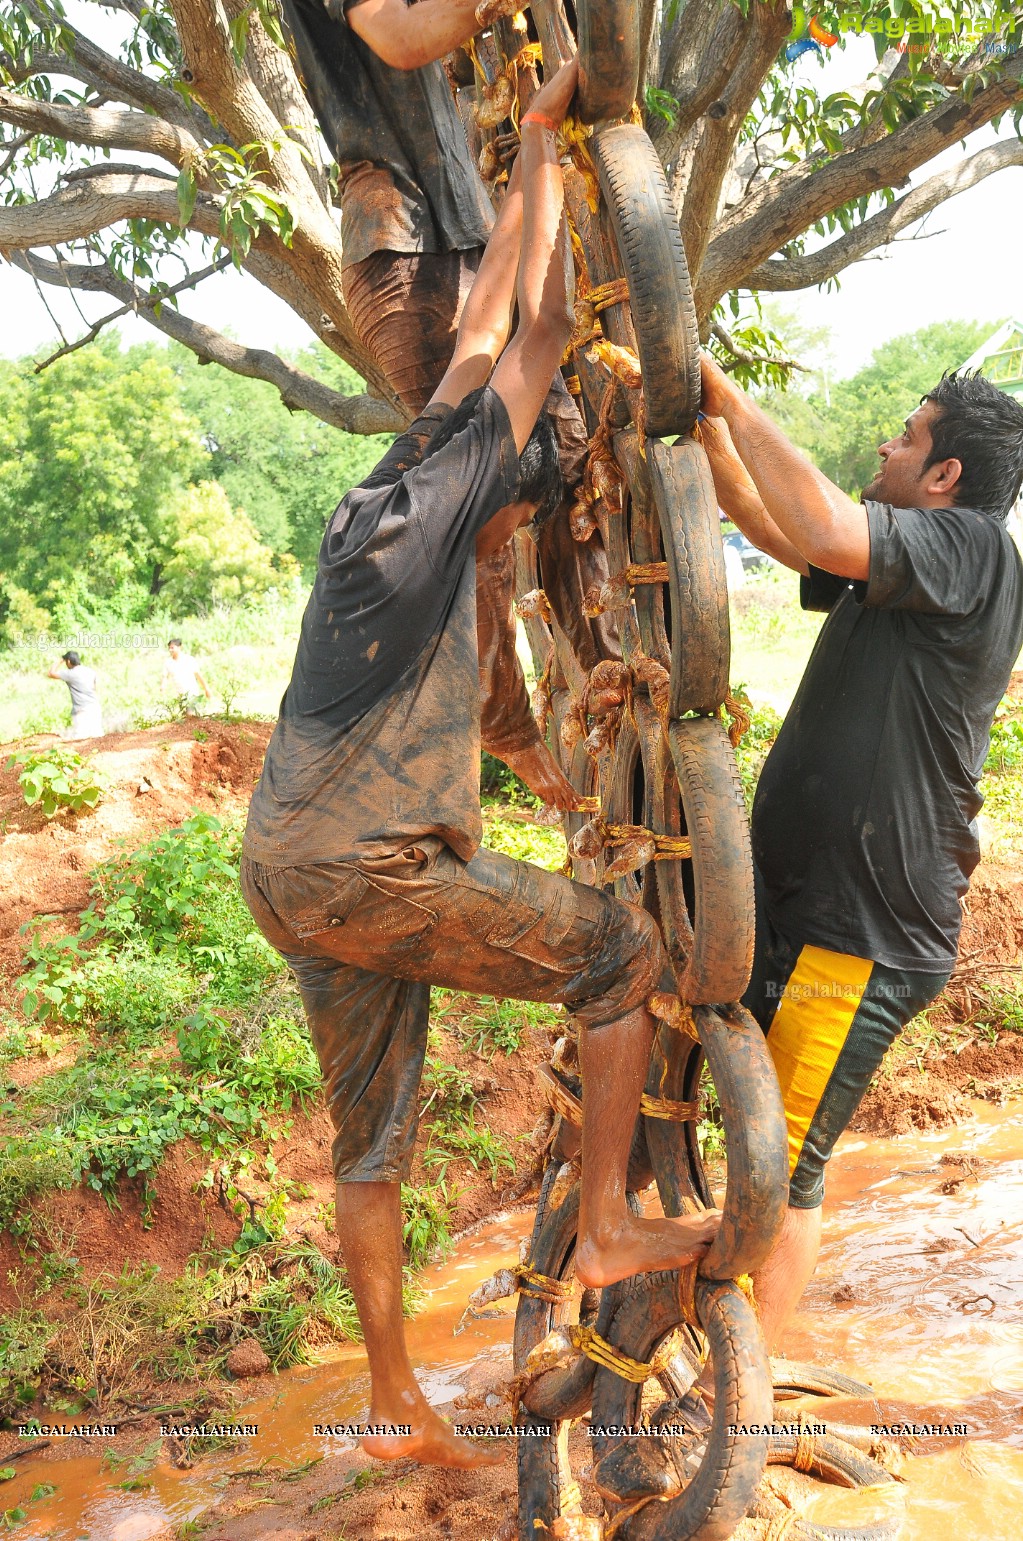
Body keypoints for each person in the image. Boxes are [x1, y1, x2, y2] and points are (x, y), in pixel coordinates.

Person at [241, 60, 720, 1471]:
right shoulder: (454, 493)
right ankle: (620, 1219)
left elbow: (480, 360)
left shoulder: (396, 492)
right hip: (374, 869)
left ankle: (390, 1395)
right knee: (621, 953)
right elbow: (539, 332)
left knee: (370, 1141)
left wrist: (521, 166)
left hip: (284, 866)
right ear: (496, 487)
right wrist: (547, 158)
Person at [698, 355, 1023, 1352]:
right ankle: (712, 1358)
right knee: (752, 1143)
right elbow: (786, 528)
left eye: (907, 433)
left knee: (785, 1164)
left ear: (945, 477)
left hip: (865, 928)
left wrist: (723, 390)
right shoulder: (907, 564)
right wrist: (698, 430)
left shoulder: (973, 549)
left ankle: (734, 1410)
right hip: (810, 906)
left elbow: (832, 521)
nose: (886, 442)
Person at [279, 0, 591, 810]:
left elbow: (498, 320)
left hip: (460, 234)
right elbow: (400, 33)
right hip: (398, 245)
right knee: (466, 507)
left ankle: (589, 659)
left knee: (565, 454)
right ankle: (504, 719)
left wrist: (535, 138)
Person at [47, 650, 103, 739]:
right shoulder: (90, 671)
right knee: (98, 739)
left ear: (68, 661)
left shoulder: (70, 673)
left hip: (82, 710)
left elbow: (50, 673)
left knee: (80, 740)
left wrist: (60, 660)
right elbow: (94, 688)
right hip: (95, 707)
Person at [163, 639, 211, 712]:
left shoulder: (189, 660)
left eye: (172, 647)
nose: (170, 650)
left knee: (190, 715)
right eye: (169, 648)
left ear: (179, 647)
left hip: (192, 693)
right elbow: (165, 677)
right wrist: (163, 687)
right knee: (186, 719)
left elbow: (198, 675)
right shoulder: (168, 662)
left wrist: (206, 689)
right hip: (180, 695)